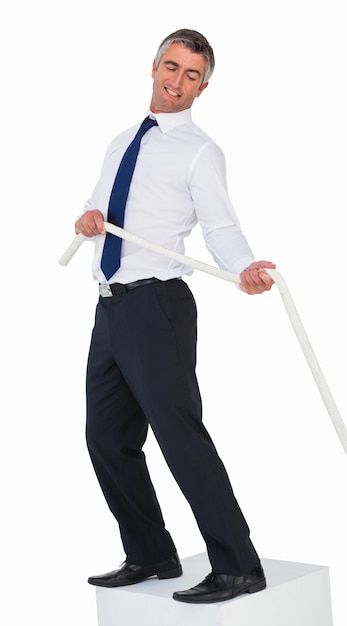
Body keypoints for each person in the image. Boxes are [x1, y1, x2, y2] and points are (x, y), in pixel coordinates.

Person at [74, 28, 276, 604]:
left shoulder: (199, 150)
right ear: (154, 65)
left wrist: (243, 268)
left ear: (203, 86)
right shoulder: (122, 140)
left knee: (179, 435)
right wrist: (88, 218)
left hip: (158, 307)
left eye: (191, 74)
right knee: (107, 438)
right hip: (111, 307)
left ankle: (239, 566)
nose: (176, 80)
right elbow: (100, 207)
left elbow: (219, 226)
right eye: (171, 66)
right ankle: (152, 554)